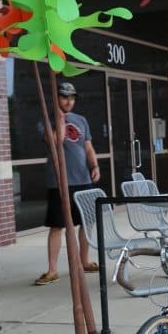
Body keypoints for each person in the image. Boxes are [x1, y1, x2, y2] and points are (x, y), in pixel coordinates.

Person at [35, 80, 101, 285]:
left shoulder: (81, 120)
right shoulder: (46, 120)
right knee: (57, 226)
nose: (69, 101)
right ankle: (52, 269)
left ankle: (84, 261)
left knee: (87, 222)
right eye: (64, 97)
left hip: (82, 179)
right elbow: (56, 140)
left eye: (72, 97)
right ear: (56, 98)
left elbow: (88, 147)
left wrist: (94, 166)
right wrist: (60, 119)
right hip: (59, 182)